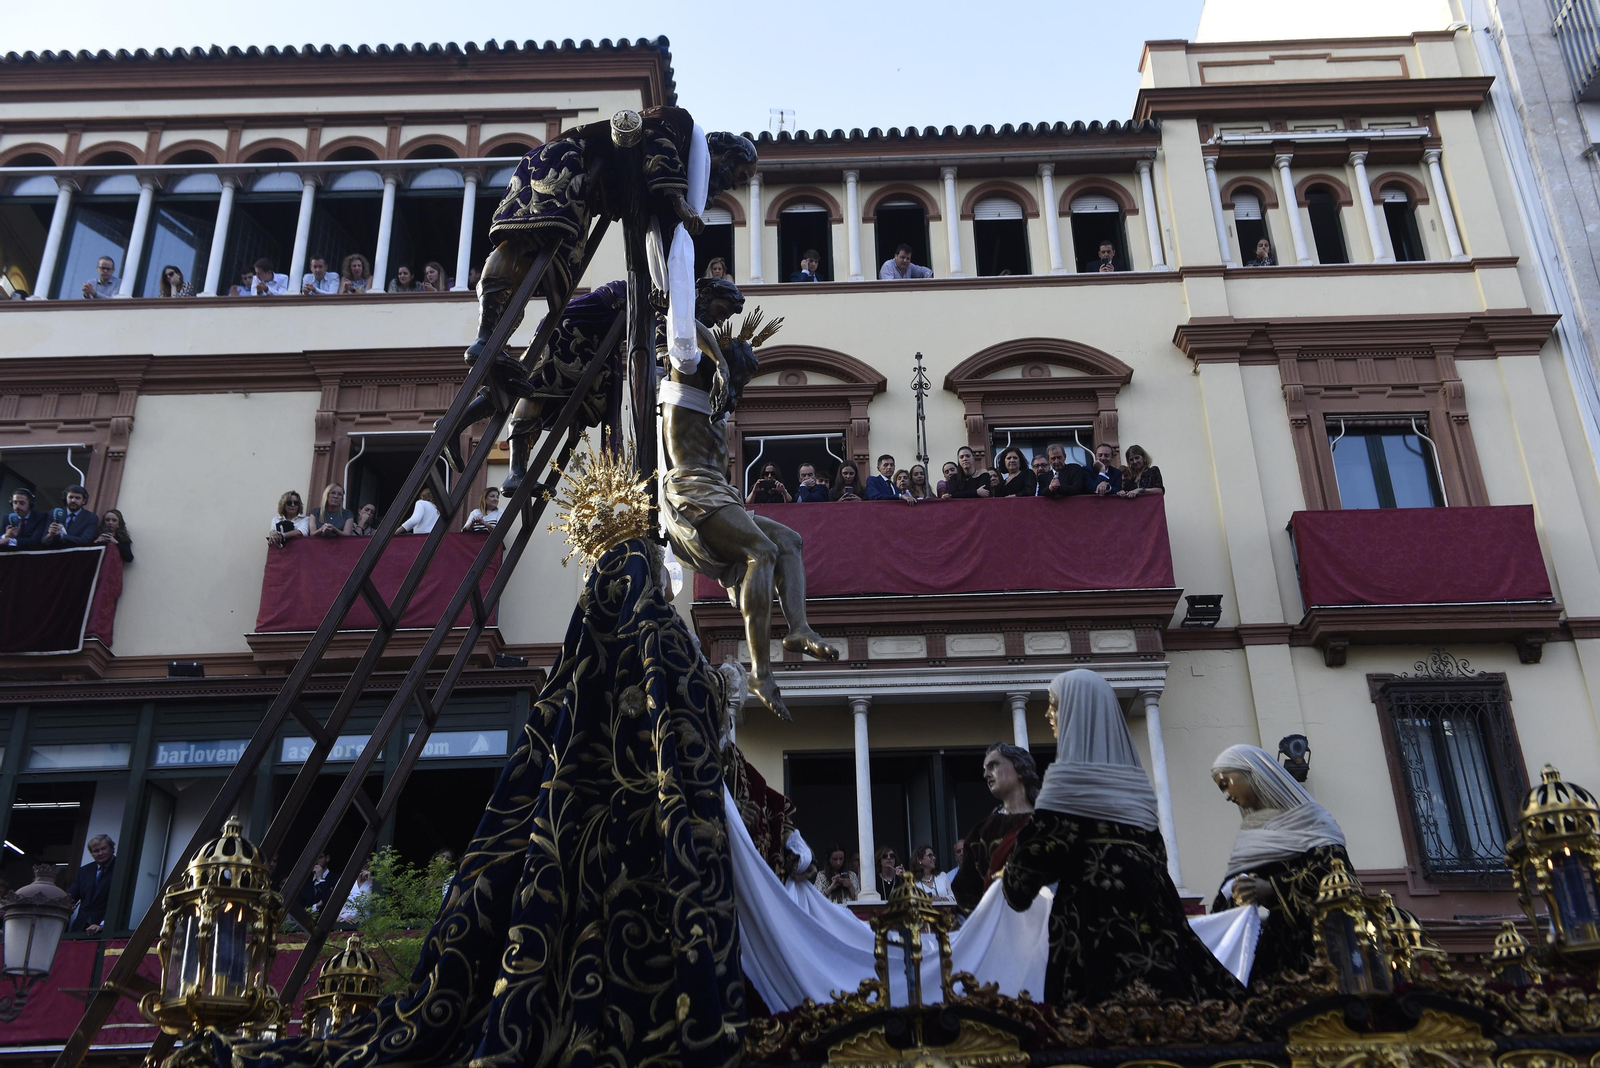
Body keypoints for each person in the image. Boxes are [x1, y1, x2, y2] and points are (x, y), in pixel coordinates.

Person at [1002, 670, 1244, 1007]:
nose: (1048, 714)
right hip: (1160, 930)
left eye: (1054, 705)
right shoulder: (1136, 795)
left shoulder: (1067, 791)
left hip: (1094, 935)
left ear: (1076, 711)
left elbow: (1019, 886)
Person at [1210, 744, 1350, 985]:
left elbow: (1338, 875)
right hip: (1272, 949)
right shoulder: (1251, 834)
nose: (1226, 795)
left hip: (1320, 946)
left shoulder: (1314, 821)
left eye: (1226, 783)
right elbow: (1231, 892)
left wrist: (1273, 888)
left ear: (1251, 772)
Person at [951, 742, 1037, 912]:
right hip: (1001, 924)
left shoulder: (1052, 821)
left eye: (994, 765)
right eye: (985, 768)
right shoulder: (981, 833)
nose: (985, 775)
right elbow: (967, 891)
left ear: (1020, 769)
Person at [67, 834, 116, 933]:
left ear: (112, 849)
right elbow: (70, 897)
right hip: (81, 927)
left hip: (107, 929)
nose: (100, 853)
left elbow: (120, 901)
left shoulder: (120, 868)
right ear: (92, 854)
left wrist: (103, 924)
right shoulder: (84, 871)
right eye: (96, 851)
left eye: (104, 849)